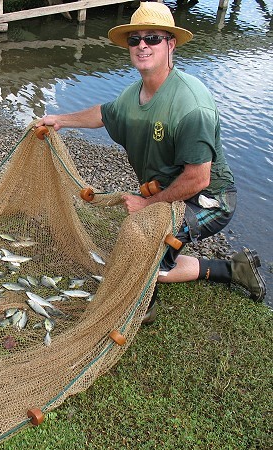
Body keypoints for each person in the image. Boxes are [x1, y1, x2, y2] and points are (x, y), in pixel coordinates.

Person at [36, 1, 266, 323]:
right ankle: (235, 267)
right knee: (139, 248)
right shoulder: (135, 94)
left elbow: (198, 179)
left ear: (170, 44)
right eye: (135, 39)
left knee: (144, 259)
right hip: (170, 190)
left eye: (153, 38)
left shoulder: (191, 105)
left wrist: (149, 205)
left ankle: (149, 305)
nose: (142, 45)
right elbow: (104, 113)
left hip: (210, 199)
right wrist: (59, 119)